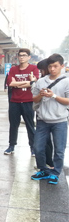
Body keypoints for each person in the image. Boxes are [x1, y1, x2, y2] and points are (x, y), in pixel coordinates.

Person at [31, 53, 69, 185]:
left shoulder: (66, 81)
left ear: (62, 66)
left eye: (55, 66)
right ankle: (43, 169)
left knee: (59, 149)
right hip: (43, 120)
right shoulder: (41, 81)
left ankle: (55, 173)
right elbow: (34, 99)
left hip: (60, 121)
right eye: (50, 66)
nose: (52, 69)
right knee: (38, 147)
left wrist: (53, 96)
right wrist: (40, 95)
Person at [4, 48, 39, 155]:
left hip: (28, 101)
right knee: (13, 125)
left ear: (29, 57)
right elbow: (10, 83)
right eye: (20, 55)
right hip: (14, 101)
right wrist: (28, 82)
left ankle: (33, 148)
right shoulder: (13, 69)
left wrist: (18, 84)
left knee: (30, 125)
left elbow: (34, 83)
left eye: (24, 55)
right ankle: (11, 146)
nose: (22, 57)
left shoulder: (34, 68)